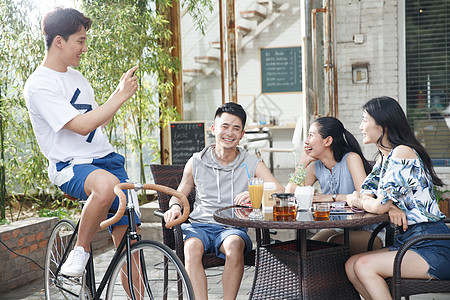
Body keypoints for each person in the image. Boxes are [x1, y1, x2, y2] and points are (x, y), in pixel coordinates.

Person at [24, 7, 138, 277]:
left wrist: (117, 92)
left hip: (107, 159)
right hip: (72, 165)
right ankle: (81, 250)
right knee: (107, 186)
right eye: (81, 40)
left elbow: (98, 121)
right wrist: (120, 97)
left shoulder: (77, 77)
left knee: (132, 250)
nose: (84, 48)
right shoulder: (39, 84)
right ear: (59, 41)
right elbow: (81, 125)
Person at [164, 102, 284, 300]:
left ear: (242, 134)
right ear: (214, 129)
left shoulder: (250, 162)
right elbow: (180, 193)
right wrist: (175, 206)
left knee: (235, 245)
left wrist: (259, 194)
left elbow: (278, 190)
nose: (230, 133)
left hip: (231, 227)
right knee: (191, 247)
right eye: (225, 126)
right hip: (199, 225)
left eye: (236, 128)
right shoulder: (196, 160)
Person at [345, 96, 450, 300]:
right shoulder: (384, 158)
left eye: (365, 119)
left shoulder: (402, 153)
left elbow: (374, 203)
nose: (360, 126)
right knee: (351, 266)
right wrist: (388, 206)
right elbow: (367, 192)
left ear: (382, 125)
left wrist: (368, 203)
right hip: (407, 241)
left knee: (364, 266)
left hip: (429, 244)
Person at [285, 116, 382, 254]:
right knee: (309, 246)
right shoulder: (315, 167)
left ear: (328, 141)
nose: (306, 141)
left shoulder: (351, 159)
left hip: (368, 229)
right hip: (336, 228)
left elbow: (363, 197)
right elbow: (289, 194)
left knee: (331, 245)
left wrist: (329, 197)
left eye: (311, 135)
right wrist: (303, 162)